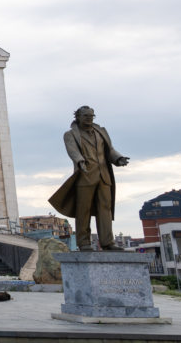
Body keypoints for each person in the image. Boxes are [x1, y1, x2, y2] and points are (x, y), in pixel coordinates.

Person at [48, 106, 129, 251]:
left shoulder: (101, 132)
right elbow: (72, 151)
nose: (89, 118)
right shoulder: (70, 134)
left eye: (92, 116)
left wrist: (119, 158)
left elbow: (109, 150)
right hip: (85, 176)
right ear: (78, 117)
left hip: (104, 176)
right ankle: (84, 242)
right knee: (83, 211)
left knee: (105, 209)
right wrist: (80, 161)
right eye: (86, 116)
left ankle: (107, 242)